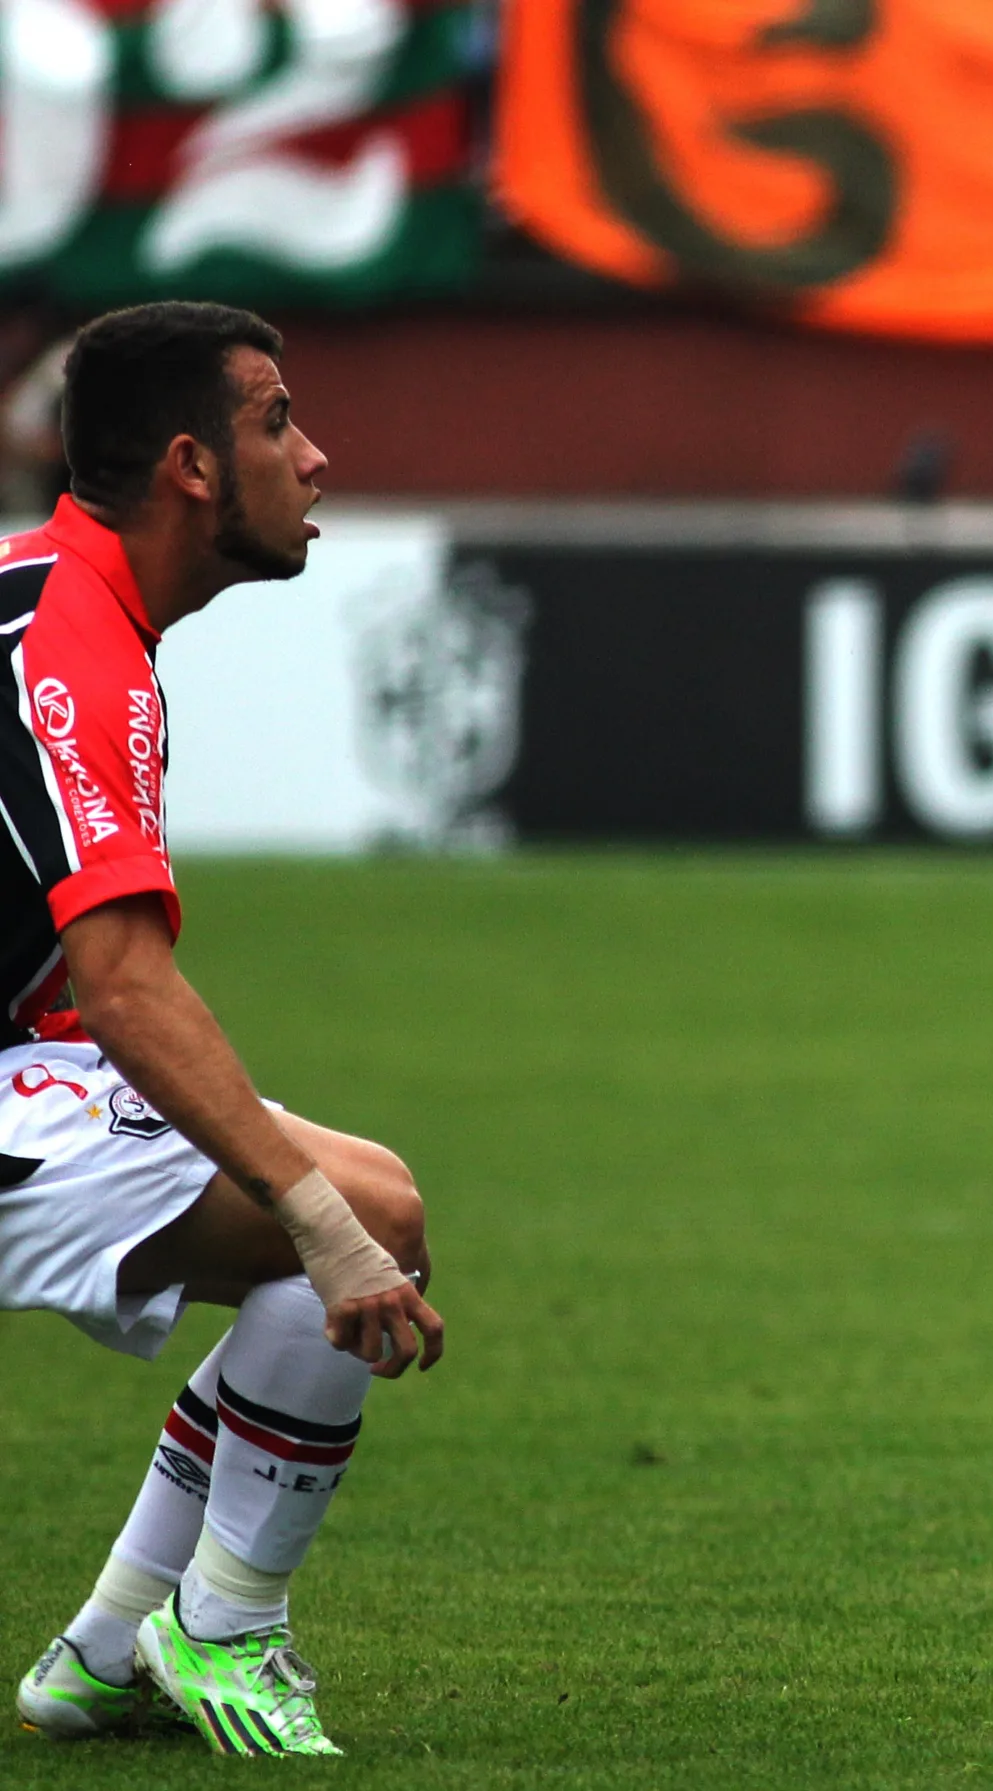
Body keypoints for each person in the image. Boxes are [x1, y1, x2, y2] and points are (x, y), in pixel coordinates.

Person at [6, 302, 443, 1757]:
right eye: (276, 421)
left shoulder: (53, 597)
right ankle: (227, 1623)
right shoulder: (73, 650)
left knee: (354, 1210)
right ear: (192, 465)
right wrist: (312, 1217)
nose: (313, 457)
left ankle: (113, 1647)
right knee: (360, 1213)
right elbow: (122, 984)